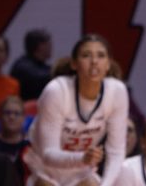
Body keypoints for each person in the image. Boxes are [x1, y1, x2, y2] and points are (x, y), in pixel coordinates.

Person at [22, 34, 127, 186]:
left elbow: (116, 151)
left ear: (108, 64)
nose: (94, 62)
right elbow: (48, 154)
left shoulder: (117, 92)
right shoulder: (56, 91)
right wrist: (82, 158)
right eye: (86, 55)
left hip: (81, 169)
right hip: (43, 165)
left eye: (101, 55)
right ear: (74, 64)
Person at [11, 30, 54, 102]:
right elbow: (39, 78)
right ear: (40, 46)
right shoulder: (22, 66)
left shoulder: (45, 67)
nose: (51, 47)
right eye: (48, 44)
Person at [0, 96, 29, 161]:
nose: (11, 117)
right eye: (7, 113)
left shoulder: (29, 146)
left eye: (16, 114)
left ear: (24, 118)